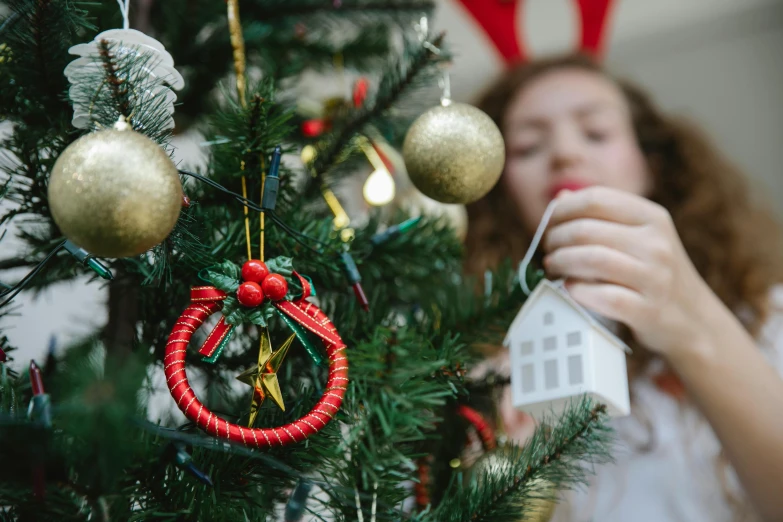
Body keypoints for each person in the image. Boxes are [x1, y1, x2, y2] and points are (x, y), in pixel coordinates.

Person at [464, 54, 783, 522]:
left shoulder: (767, 321)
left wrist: (695, 324)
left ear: (650, 164)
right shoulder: (484, 372)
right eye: (528, 146)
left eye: (596, 133)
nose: (565, 154)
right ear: (500, 189)